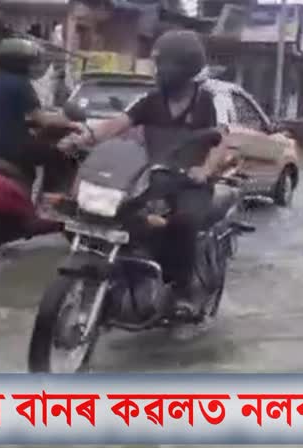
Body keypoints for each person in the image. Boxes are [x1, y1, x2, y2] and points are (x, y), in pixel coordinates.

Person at [58, 29, 233, 313]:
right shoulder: (151, 101)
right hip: (154, 176)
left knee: (184, 221)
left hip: (190, 183)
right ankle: (124, 275)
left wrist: (204, 169)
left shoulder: (207, 102)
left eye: (161, 64)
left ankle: (182, 290)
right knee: (112, 213)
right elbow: (116, 125)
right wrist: (84, 138)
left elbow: (221, 142)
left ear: (181, 68)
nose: (156, 71)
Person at [0, 38, 82, 190]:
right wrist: (70, 124)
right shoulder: (21, 85)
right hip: (9, 147)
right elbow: (44, 121)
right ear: (21, 63)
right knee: (60, 155)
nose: (36, 67)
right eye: (32, 62)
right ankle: (50, 201)